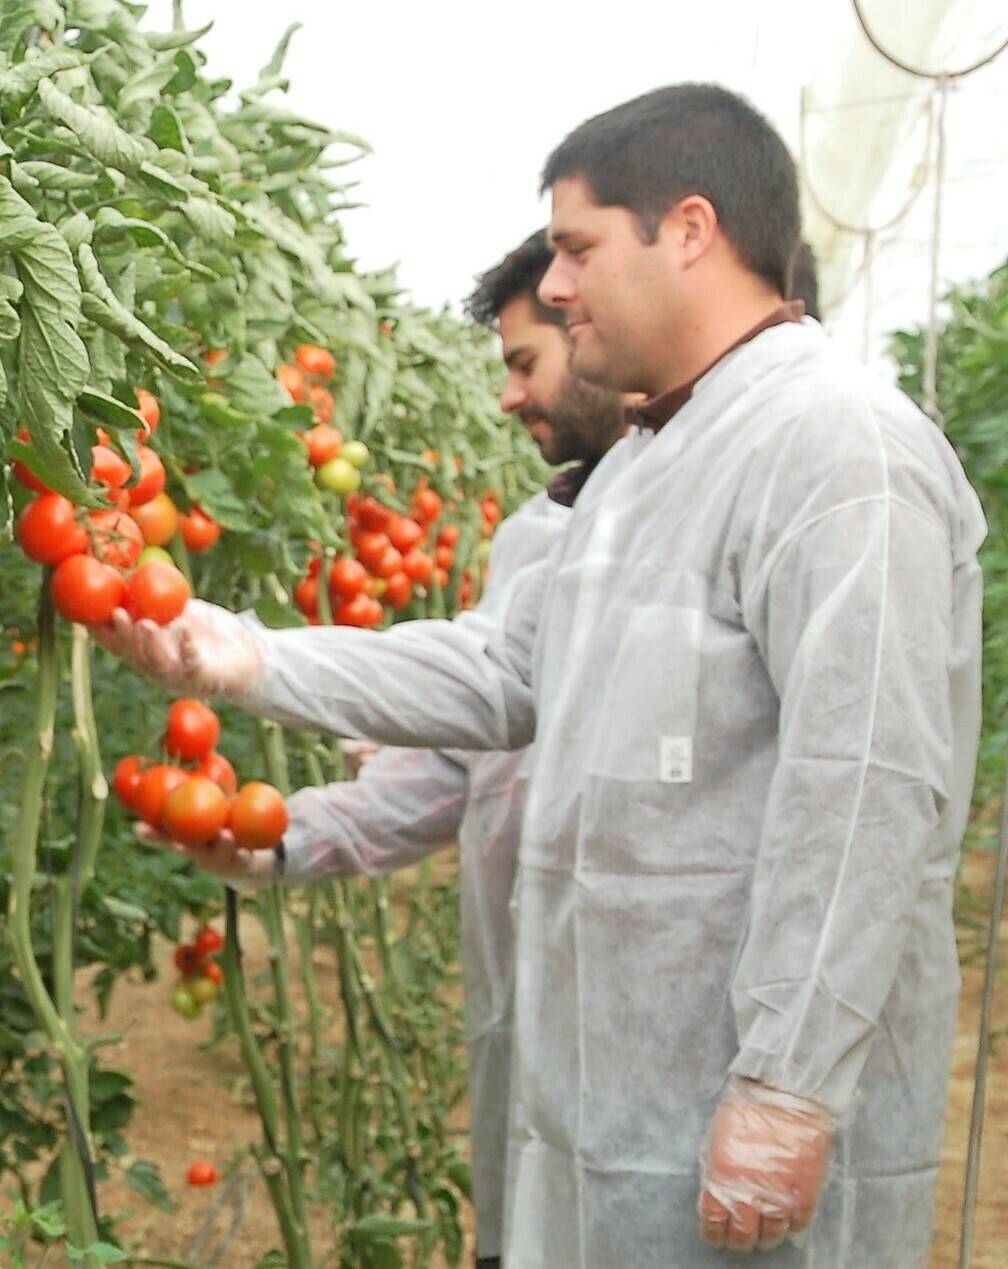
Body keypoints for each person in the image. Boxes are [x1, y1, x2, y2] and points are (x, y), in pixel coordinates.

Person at [105, 84, 982, 1267]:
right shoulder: (639, 470)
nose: (555, 287)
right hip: (614, 1105)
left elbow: (867, 777)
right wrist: (251, 657)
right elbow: (509, 670)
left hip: (739, 1113)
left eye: (575, 247)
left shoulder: (837, 446)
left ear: (689, 229)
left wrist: (790, 1084)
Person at [158, 229, 628, 1269]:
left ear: (605, 333)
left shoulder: (730, 506)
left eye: (524, 362)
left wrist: (257, 662)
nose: (509, 397)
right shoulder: (543, 537)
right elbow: (467, 768)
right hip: (539, 1023)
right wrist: (280, 842)